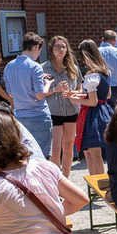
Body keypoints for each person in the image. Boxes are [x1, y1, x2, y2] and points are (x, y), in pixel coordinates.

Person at [3, 33, 54, 159]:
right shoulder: (35, 66)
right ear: (36, 47)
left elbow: (11, 94)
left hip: (19, 115)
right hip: (38, 115)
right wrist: (47, 84)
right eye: (40, 50)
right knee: (41, 157)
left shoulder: (9, 66)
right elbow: (40, 95)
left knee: (24, 156)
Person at [70, 39, 113, 176]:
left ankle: (97, 183)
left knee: (93, 152)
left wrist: (75, 99)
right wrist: (80, 94)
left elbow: (93, 102)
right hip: (104, 111)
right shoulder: (105, 71)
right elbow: (107, 95)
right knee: (90, 151)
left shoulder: (91, 74)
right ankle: (96, 183)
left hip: (92, 115)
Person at [43, 36, 82, 178]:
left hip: (71, 110)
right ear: (51, 49)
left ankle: (66, 178)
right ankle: (56, 179)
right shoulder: (43, 68)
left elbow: (80, 89)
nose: (61, 49)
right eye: (57, 46)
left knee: (68, 146)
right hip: (53, 111)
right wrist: (56, 89)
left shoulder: (73, 68)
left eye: (63, 47)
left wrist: (73, 93)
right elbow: (40, 93)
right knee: (55, 148)